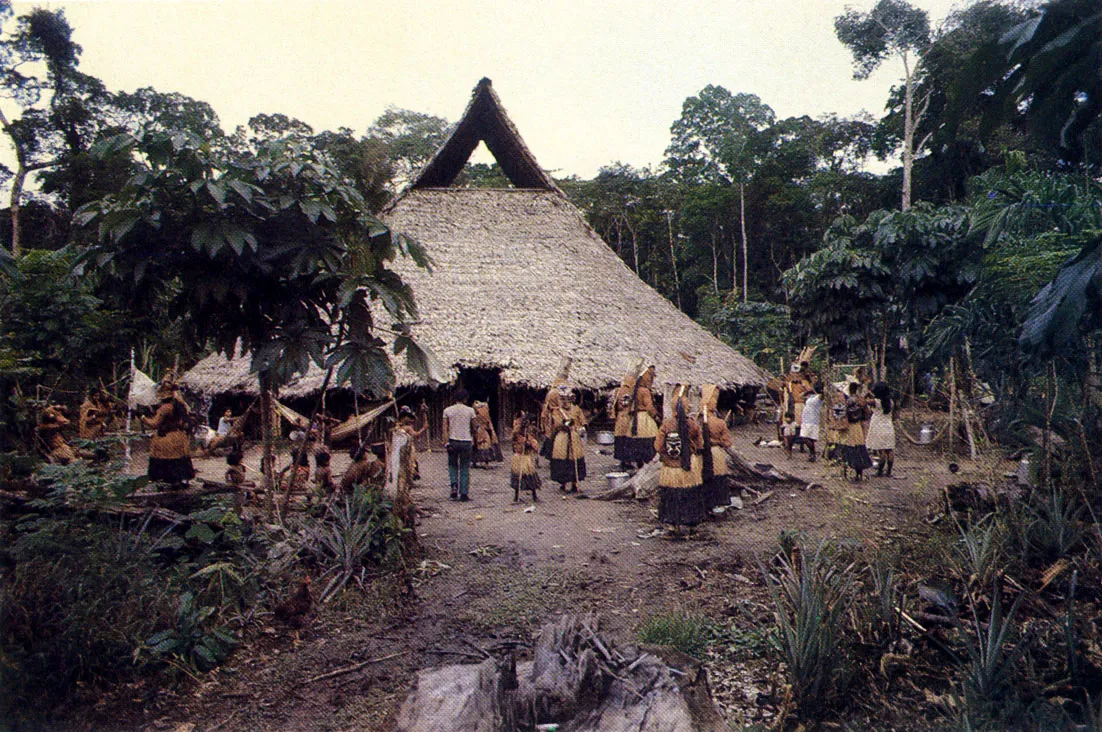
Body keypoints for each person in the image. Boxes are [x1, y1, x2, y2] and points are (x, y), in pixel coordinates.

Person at [654, 385, 705, 535]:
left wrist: (666, 455)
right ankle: (691, 527)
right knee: (690, 494)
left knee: (671, 495)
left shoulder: (667, 425)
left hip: (670, 470)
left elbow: (657, 446)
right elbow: (700, 444)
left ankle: (672, 527)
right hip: (688, 467)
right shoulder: (693, 425)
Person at [142, 381, 195, 489]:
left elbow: (154, 424)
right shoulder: (180, 405)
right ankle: (181, 482)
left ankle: (166, 483)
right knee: (179, 461)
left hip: (167, 439)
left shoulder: (165, 408)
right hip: (179, 438)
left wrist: (143, 418)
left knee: (165, 460)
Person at [612, 364, 659, 469]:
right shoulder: (644, 391)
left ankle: (637, 464)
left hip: (635, 419)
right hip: (644, 419)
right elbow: (649, 407)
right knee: (647, 442)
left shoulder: (633, 390)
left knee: (636, 442)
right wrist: (656, 416)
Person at [699, 384, 734, 515]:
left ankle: (706, 503)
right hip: (716, 453)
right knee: (718, 476)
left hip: (701, 454)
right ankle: (719, 504)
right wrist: (718, 441)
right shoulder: (719, 423)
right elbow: (727, 443)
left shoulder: (696, 421)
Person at [548, 384, 587, 494]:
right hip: (562, 437)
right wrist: (565, 424)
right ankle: (563, 483)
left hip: (574, 437)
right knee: (562, 458)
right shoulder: (556, 411)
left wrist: (581, 428)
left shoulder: (577, 409)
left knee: (574, 458)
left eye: (566, 399)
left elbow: (582, 421)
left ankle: (575, 483)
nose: (564, 402)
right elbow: (556, 423)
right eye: (561, 399)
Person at [833, 381, 873, 482]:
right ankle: (859, 474)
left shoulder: (845, 401)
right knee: (859, 449)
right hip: (858, 427)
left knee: (846, 449)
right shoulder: (861, 400)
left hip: (848, 427)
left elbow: (839, 414)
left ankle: (845, 474)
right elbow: (867, 413)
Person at [443, 389, 476, 501]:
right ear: (465, 399)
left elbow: (445, 429)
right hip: (466, 441)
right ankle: (464, 493)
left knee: (452, 465)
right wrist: (475, 440)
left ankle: (454, 485)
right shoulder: (470, 411)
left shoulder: (447, 410)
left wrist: (446, 442)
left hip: (453, 441)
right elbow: (474, 427)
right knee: (464, 467)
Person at [509, 411, 541, 502]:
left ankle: (534, 495)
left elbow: (533, 444)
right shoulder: (516, 433)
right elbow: (515, 442)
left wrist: (531, 443)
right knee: (519, 476)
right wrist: (524, 442)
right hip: (519, 456)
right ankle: (516, 496)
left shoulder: (528, 434)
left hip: (526, 456)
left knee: (530, 475)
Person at [866, 382, 896, 477]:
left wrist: (866, 393)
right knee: (889, 449)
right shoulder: (891, 402)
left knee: (881, 450)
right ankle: (889, 471)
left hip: (878, 426)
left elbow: (862, 402)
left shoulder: (876, 402)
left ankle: (880, 471)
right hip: (888, 426)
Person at [397, 405, 428, 480]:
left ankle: (411, 475)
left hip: (404, 447)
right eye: (408, 417)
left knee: (411, 462)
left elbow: (415, 420)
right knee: (410, 462)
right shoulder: (406, 427)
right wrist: (424, 428)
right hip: (405, 448)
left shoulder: (400, 426)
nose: (410, 419)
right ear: (403, 417)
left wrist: (423, 413)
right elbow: (416, 434)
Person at [472, 400, 504, 467]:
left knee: (481, 445)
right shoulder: (483, 412)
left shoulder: (479, 412)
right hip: (481, 430)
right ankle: (482, 462)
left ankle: (478, 461)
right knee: (482, 445)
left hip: (480, 430)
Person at [800, 382, 823, 462]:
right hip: (805, 419)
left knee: (805, 438)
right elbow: (801, 396)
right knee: (809, 438)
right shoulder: (811, 396)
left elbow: (823, 395)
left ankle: (813, 453)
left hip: (812, 419)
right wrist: (809, 391)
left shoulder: (819, 397)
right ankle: (812, 454)